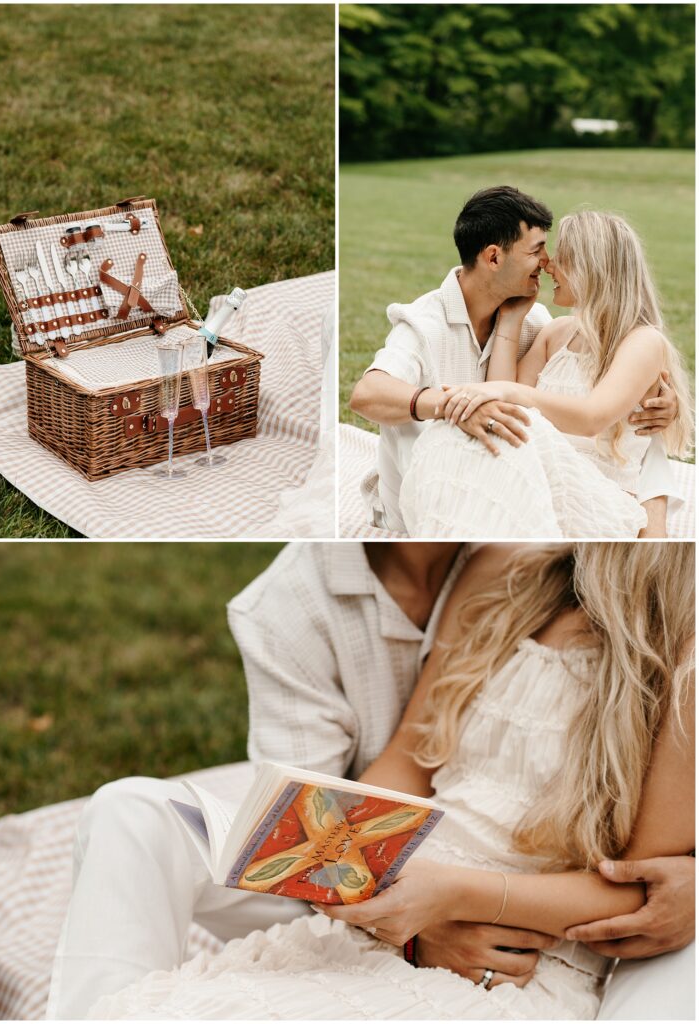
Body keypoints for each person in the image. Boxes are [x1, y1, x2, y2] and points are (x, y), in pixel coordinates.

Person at [45, 543, 695, 1017]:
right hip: (390, 905)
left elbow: (638, 894)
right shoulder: (508, 566)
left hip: (514, 963)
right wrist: (354, 860)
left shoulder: (680, 648)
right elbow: (406, 764)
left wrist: (452, 896)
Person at [350, 187, 680, 536]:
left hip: (573, 491)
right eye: (538, 252)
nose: (547, 264)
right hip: (445, 489)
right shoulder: (430, 325)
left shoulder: (559, 326)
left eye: (555, 255)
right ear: (493, 258)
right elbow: (366, 394)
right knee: (451, 430)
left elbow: (589, 417)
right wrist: (457, 400)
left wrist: (499, 392)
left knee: (461, 429)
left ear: (592, 269)